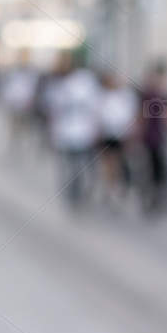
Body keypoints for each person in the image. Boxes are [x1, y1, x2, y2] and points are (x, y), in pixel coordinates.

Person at [44, 49, 101, 209]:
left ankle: (81, 192)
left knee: (81, 165)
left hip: (83, 131)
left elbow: (94, 105)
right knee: (67, 166)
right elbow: (52, 110)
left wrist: (95, 127)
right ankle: (70, 194)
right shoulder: (56, 83)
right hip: (64, 132)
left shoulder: (85, 80)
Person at [95, 70, 137, 211]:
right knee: (108, 162)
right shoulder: (103, 96)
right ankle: (110, 187)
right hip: (108, 133)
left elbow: (130, 115)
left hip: (121, 134)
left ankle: (117, 186)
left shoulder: (125, 96)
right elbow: (99, 115)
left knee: (117, 162)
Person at [137, 60, 167, 214]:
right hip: (149, 137)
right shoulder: (147, 96)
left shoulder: (162, 94)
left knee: (159, 168)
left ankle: (156, 196)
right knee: (148, 168)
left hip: (160, 137)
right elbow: (142, 118)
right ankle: (148, 197)